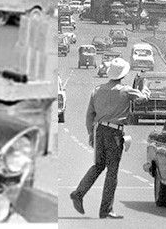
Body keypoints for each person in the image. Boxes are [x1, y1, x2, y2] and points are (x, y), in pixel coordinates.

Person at [69, 58, 149, 219]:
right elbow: (142, 99)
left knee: (98, 165)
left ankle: (79, 193)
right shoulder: (126, 90)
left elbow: (89, 115)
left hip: (99, 130)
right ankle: (105, 209)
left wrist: (91, 134)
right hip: (114, 133)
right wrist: (146, 88)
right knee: (112, 171)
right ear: (123, 74)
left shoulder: (97, 90)